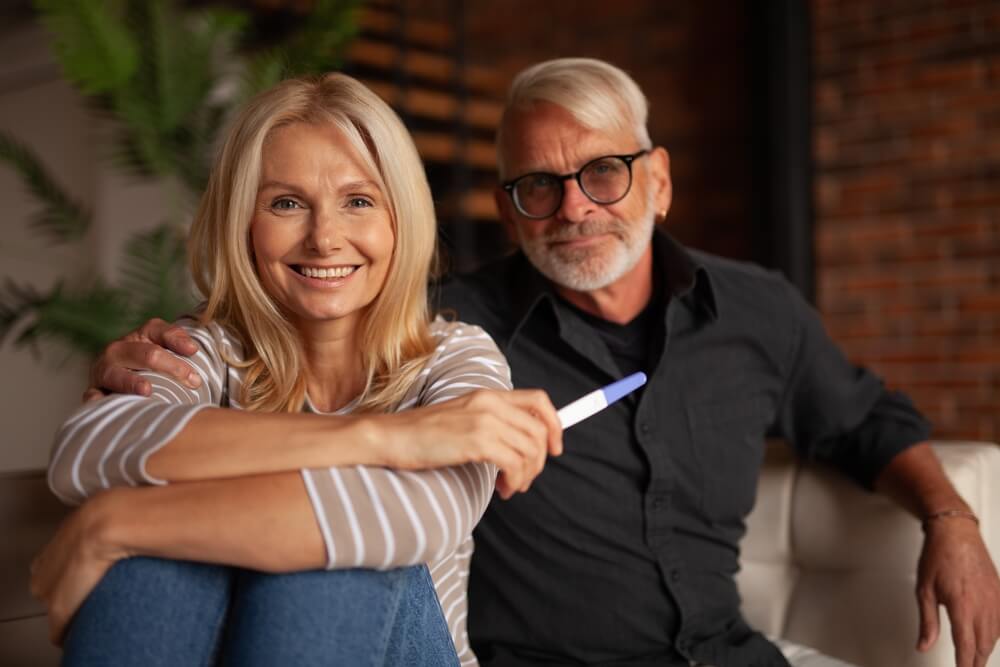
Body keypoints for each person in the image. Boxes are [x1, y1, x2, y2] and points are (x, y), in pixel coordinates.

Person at [86, 59, 1000, 667]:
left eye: (603, 171)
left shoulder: (756, 308)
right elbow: (312, 318)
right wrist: (140, 359)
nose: (573, 206)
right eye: (538, 185)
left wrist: (951, 516)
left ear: (660, 179)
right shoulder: (447, 322)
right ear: (508, 204)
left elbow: (860, 417)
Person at [31, 72, 564, 667]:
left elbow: (409, 517)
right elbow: (89, 444)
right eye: (286, 203)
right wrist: (387, 437)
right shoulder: (201, 351)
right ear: (245, 225)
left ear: (399, 220)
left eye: (358, 201)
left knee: (343, 557)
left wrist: (117, 521)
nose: (325, 238)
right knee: (157, 567)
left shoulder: (455, 359)